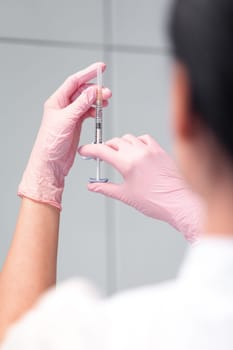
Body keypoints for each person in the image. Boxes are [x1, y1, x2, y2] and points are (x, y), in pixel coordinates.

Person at [1, 0, 233, 347]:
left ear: (183, 106)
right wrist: (199, 221)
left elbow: (15, 337)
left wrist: (43, 181)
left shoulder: (108, 334)